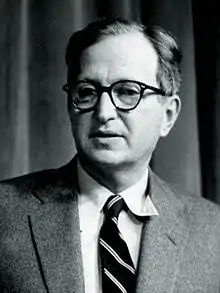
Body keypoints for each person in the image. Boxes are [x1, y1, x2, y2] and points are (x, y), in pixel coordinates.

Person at [0, 18, 220, 293]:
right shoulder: (5, 212)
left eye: (128, 92)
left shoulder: (213, 232)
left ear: (168, 115)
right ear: (70, 107)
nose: (103, 113)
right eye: (87, 92)